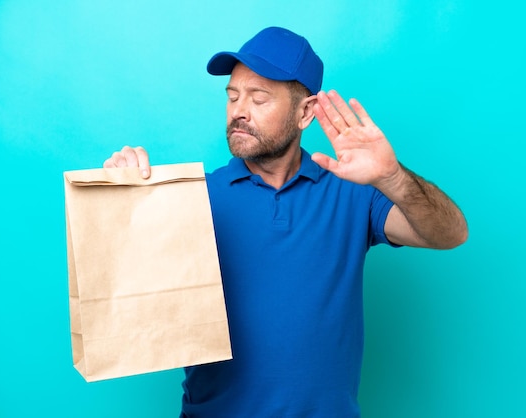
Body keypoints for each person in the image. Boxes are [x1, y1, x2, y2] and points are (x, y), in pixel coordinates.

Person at [104, 26, 467, 418]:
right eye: (232, 96)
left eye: (259, 98)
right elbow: (127, 296)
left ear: (305, 112)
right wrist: (123, 200)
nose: (238, 111)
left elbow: (450, 234)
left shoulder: (352, 191)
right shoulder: (195, 196)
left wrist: (392, 178)